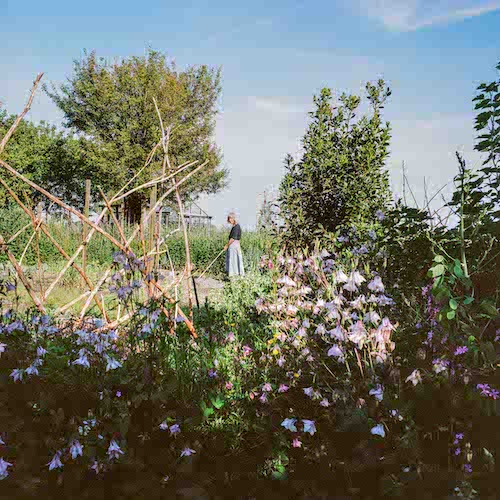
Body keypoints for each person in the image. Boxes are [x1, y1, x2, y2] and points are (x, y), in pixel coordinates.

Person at [224, 212, 245, 277]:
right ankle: (233, 275)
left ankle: (236, 274)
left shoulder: (236, 227)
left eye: (230, 218)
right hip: (233, 246)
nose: (229, 220)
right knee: (232, 260)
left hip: (234, 246)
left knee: (234, 260)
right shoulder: (234, 226)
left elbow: (233, 238)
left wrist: (226, 246)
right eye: (229, 219)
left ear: (233, 218)